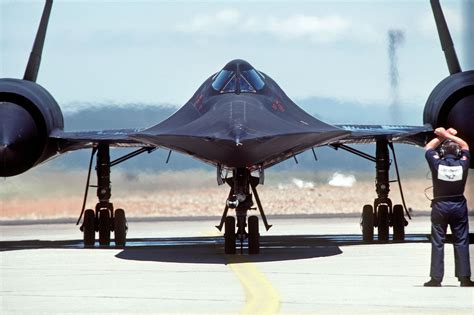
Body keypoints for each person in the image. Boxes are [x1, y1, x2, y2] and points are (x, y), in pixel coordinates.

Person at [424, 127, 473, 287]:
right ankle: (464, 278)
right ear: (458, 153)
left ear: (443, 153)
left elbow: (429, 147)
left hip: (440, 205)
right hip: (458, 204)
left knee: (438, 241)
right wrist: (450, 135)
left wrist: (443, 136)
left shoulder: (437, 163)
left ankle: (436, 279)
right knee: (461, 240)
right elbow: (465, 145)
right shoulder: (463, 164)